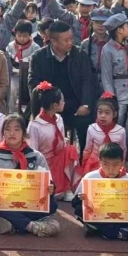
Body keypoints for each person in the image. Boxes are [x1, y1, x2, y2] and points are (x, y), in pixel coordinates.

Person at [0, 114, 59, 237]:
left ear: (24, 133)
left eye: (16, 129)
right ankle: (31, 226)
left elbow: (48, 183)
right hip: (4, 204)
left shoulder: (36, 156)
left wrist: (50, 189)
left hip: (29, 204)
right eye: (8, 129)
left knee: (52, 203)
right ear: (3, 133)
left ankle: (9, 223)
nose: (12, 133)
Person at [28, 20, 96, 156]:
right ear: (53, 41)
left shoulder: (79, 55)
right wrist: (46, 105)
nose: (70, 42)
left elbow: (88, 81)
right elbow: (33, 84)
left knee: (87, 124)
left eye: (71, 38)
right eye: (66, 40)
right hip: (49, 105)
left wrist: (86, 104)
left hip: (75, 104)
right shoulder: (38, 57)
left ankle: (82, 160)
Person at [73, 142, 128, 242]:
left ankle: (96, 229)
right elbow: (74, 203)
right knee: (79, 210)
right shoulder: (90, 178)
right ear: (99, 161)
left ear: (122, 162)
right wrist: (80, 198)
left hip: (119, 216)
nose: (110, 169)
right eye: (105, 164)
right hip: (99, 215)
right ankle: (118, 233)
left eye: (115, 164)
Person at [28, 81, 78, 201]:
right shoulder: (35, 125)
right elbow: (33, 151)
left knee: (70, 149)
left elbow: (61, 139)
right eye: (62, 100)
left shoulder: (59, 119)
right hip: (44, 163)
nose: (64, 103)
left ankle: (67, 188)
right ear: (55, 105)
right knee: (50, 194)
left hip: (58, 158)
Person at [100, 13, 128, 153]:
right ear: (119, 29)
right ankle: (114, 151)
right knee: (118, 124)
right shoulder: (108, 49)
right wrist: (110, 97)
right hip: (119, 93)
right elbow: (106, 75)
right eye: (127, 26)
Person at [76, 92, 126, 180]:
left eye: (107, 113)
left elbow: (123, 150)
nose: (103, 116)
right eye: (100, 112)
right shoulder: (92, 128)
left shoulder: (120, 131)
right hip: (94, 163)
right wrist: (83, 166)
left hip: (112, 165)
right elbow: (87, 150)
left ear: (114, 114)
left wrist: (121, 166)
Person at [5, 19, 40, 114]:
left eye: (25, 36)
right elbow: (8, 61)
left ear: (30, 35)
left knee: (30, 93)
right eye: (19, 35)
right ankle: (11, 113)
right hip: (14, 75)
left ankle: (29, 114)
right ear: (15, 34)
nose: (22, 38)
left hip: (28, 76)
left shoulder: (35, 47)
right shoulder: (10, 46)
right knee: (12, 91)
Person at [80, 8, 112, 83]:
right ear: (91, 23)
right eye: (97, 22)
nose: (101, 25)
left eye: (104, 22)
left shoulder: (112, 43)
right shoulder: (85, 44)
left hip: (109, 80)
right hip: (91, 80)